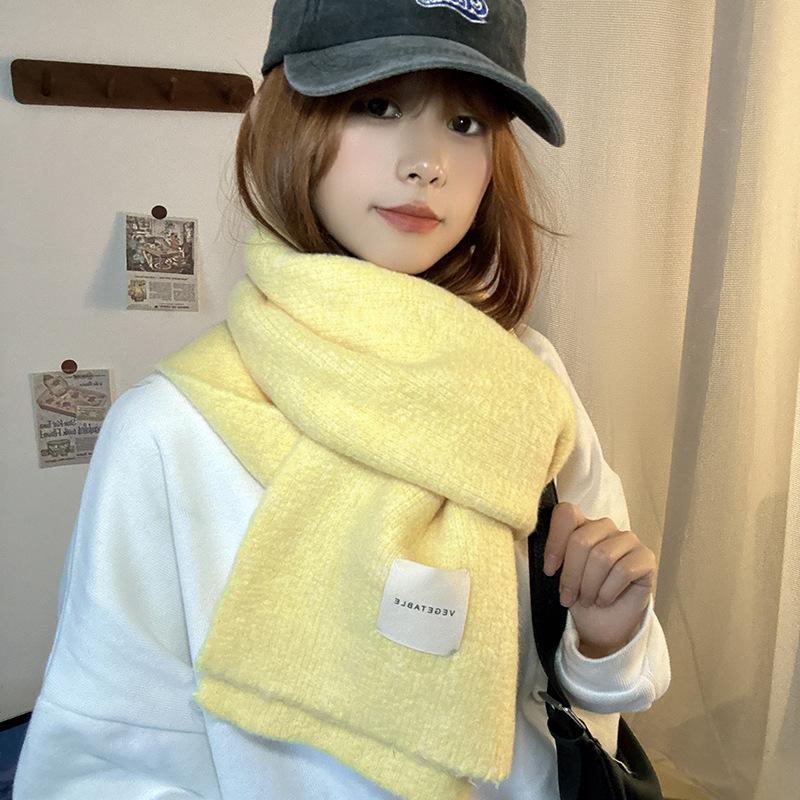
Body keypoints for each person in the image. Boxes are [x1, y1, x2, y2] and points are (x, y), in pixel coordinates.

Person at [13, 1, 671, 798]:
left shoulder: (528, 380)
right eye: (378, 105)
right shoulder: (170, 427)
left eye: (466, 122)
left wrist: (602, 639)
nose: (426, 162)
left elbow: (578, 693)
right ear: (288, 120)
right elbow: (105, 763)